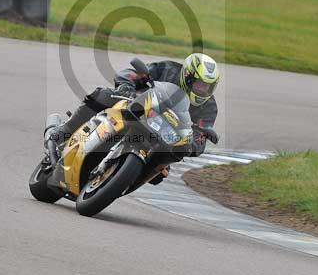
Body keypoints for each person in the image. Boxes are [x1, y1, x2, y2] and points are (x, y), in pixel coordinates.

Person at [46, 53, 221, 180]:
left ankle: (118, 179)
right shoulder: (168, 69)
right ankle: (64, 130)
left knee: (160, 174)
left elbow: (200, 137)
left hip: (163, 136)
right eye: (199, 84)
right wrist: (126, 85)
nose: (202, 90)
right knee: (105, 95)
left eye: (207, 87)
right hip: (138, 108)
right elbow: (132, 73)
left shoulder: (209, 108)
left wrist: (196, 142)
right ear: (188, 76)